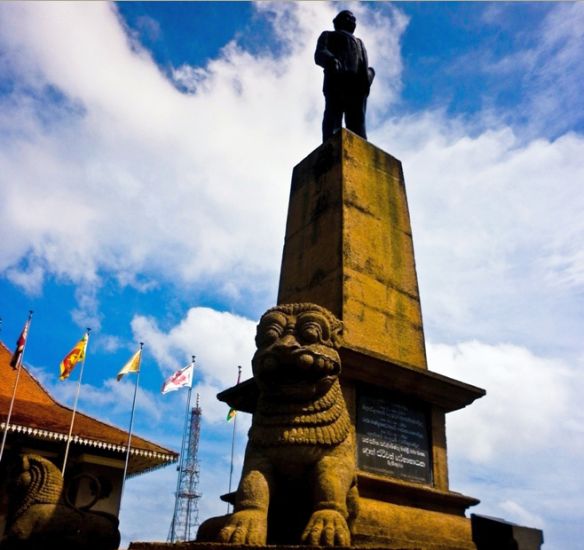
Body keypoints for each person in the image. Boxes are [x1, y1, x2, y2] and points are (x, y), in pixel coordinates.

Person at [315, 10, 375, 141]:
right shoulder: (328, 35)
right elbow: (320, 53)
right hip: (337, 81)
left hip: (357, 87)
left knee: (357, 123)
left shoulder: (359, 42)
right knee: (333, 117)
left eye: (354, 19)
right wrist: (331, 60)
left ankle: (360, 146)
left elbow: (363, 62)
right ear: (338, 21)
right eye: (348, 18)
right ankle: (330, 145)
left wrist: (368, 76)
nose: (352, 21)